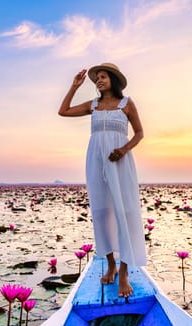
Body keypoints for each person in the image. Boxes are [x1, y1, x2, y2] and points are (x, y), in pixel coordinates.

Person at [58, 63, 147, 297]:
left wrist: (124, 149)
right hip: (96, 161)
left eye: (103, 76)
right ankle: (110, 264)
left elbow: (139, 133)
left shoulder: (127, 104)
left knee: (125, 212)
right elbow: (63, 111)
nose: (98, 80)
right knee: (101, 212)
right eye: (96, 78)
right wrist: (74, 86)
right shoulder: (94, 106)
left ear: (114, 80)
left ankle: (124, 271)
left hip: (120, 161)